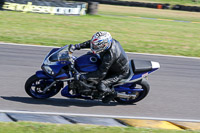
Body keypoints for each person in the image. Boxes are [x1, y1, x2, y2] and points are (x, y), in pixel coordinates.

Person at [68, 31, 129, 103]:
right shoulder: (106, 44)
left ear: (104, 45)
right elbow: (91, 43)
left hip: (119, 72)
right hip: (110, 64)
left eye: (96, 46)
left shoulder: (109, 56)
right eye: (94, 45)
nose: (94, 47)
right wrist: (77, 46)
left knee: (101, 85)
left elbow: (101, 73)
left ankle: (112, 94)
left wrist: (84, 76)